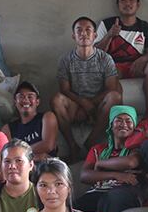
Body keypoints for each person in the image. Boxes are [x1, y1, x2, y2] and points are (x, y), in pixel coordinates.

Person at [52, 16, 122, 161]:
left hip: (98, 106)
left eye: (88, 30)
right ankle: (73, 146)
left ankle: (91, 142)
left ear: (95, 35)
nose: (83, 33)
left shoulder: (105, 59)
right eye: (79, 30)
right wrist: (83, 103)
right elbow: (64, 90)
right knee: (56, 99)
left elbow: (111, 88)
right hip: (76, 105)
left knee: (115, 96)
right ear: (73, 36)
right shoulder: (66, 59)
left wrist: (91, 104)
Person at [95, 0, 148, 117]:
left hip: (137, 66)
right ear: (117, 5)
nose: (127, 3)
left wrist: (142, 60)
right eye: (123, 0)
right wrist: (109, 35)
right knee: (110, 70)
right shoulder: (107, 24)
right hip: (114, 66)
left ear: (138, 4)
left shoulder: (145, 27)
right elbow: (96, 53)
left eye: (131, 0)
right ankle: (119, 116)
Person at [74, 105, 143, 212]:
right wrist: (117, 175)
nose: (124, 124)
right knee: (70, 208)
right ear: (111, 124)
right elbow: (84, 176)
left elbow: (131, 162)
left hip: (127, 193)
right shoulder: (97, 150)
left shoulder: (137, 149)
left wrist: (100, 164)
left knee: (110, 198)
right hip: (98, 191)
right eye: (118, 120)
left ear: (134, 126)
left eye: (128, 121)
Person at [0, 80, 58, 161]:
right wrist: (34, 157)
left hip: (48, 165)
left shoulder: (47, 117)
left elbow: (48, 146)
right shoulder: (7, 129)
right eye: (21, 97)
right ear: (15, 102)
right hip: (22, 168)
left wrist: (19, 153)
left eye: (30, 96)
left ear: (37, 102)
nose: (25, 100)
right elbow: (8, 155)